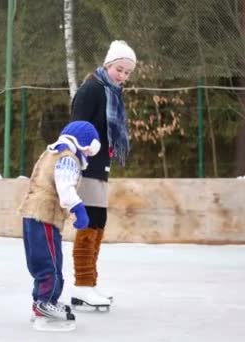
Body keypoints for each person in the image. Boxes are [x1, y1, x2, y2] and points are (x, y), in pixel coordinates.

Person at [69, 40, 137, 308]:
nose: (122, 76)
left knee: (98, 221)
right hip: (86, 167)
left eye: (127, 72)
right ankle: (82, 286)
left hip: (100, 168)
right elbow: (75, 129)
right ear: (108, 64)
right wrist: (78, 162)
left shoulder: (111, 94)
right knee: (89, 222)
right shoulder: (92, 90)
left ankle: (88, 284)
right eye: (119, 69)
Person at [18, 120, 101, 331]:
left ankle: (43, 303)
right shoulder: (68, 158)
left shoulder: (52, 152)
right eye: (91, 151)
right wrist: (79, 209)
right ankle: (45, 306)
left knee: (43, 263)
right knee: (50, 265)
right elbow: (65, 188)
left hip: (32, 215)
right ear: (85, 145)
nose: (89, 157)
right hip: (44, 216)